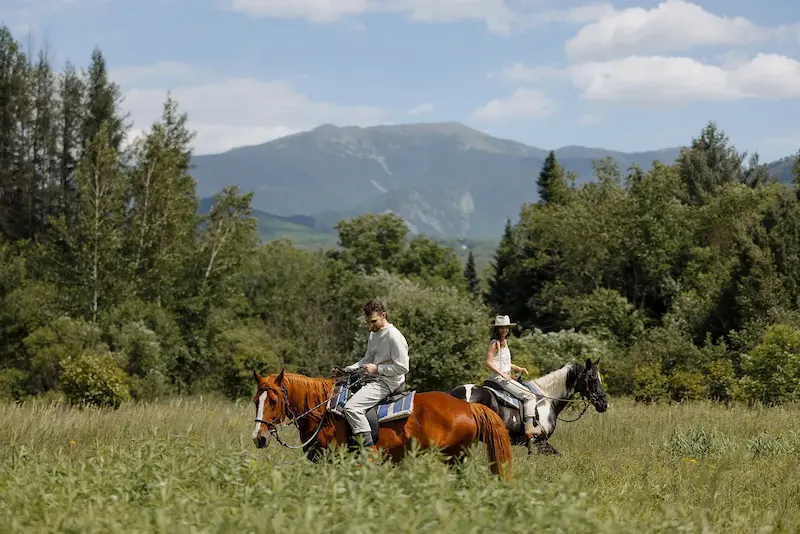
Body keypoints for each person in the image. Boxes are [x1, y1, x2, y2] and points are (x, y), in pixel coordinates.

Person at [332, 298, 409, 451]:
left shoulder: (394, 336)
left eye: (373, 321)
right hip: (374, 379)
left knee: (352, 408)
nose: (370, 326)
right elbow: (367, 359)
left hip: (390, 383)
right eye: (368, 322)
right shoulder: (374, 334)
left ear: (384, 315)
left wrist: (377, 369)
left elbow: (403, 367)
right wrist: (347, 370)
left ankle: (368, 450)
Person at [485, 314, 540, 441]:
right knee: (530, 395)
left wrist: (519, 368)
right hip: (499, 379)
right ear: (497, 329)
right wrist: (502, 374)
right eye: (501, 328)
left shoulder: (505, 342)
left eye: (506, 328)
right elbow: (489, 362)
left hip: (504, 376)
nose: (504, 330)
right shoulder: (495, 343)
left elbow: (505, 363)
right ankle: (530, 426)